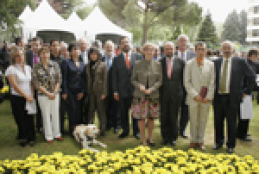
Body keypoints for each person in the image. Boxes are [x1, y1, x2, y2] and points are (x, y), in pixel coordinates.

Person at [212, 41, 256, 154]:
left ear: (232, 50)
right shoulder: (216, 62)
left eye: (229, 48)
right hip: (218, 97)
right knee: (218, 121)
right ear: (222, 49)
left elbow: (252, 76)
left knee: (232, 122)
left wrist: (246, 91)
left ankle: (230, 145)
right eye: (224, 48)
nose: (226, 50)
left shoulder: (240, 62)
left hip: (233, 97)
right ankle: (218, 142)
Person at [184, 42, 215, 150]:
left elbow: (212, 81)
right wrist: (194, 95)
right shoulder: (189, 64)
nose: (202, 51)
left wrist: (209, 96)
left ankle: (201, 141)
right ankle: (193, 140)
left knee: (203, 120)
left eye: (203, 49)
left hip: (206, 98)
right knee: (193, 119)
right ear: (195, 50)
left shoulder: (211, 64)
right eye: (199, 49)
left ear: (206, 51)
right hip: (193, 98)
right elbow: (186, 82)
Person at [131, 43, 162, 146]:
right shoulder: (137, 64)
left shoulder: (158, 65)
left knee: (151, 118)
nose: (149, 52)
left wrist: (152, 89)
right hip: (140, 95)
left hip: (153, 95)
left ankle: (150, 138)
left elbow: (160, 81)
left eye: (151, 50)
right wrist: (140, 86)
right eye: (147, 50)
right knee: (141, 118)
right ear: (144, 51)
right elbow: (133, 79)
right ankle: (143, 140)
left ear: (154, 52)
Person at [112, 36, 142, 139]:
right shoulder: (116, 59)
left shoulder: (138, 57)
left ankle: (136, 131)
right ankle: (125, 130)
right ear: (120, 45)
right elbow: (114, 76)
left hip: (135, 90)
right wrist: (115, 91)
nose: (125, 44)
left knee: (135, 112)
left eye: (127, 42)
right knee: (123, 112)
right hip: (122, 90)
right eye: (123, 43)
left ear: (130, 43)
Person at [6, 47, 36, 146]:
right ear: (14, 57)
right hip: (17, 97)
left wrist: (31, 94)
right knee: (20, 117)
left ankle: (31, 137)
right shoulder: (11, 69)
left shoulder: (28, 68)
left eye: (21, 55)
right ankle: (23, 137)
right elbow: (14, 85)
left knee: (29, 117)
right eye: (17, 56)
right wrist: (25, 96)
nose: (20, 57)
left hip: (29, 96)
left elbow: (32, 82)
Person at [32, 47, 62, 143]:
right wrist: (48, 93)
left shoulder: (55, 65)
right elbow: (37, 83)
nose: (45, 55)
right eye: (43, 53)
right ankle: (49, 135)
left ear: (49, 54)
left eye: (47, 53)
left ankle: (57, 133)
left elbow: (59, 79)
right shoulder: (36, 67)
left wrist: (54, 92)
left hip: (55, 94)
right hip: (43, 95)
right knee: (46, 115)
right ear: (39, 55)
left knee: (55, 114)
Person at [160, 42, 185, 146]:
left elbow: (183, 80)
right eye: (167, 49)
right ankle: (165, 137)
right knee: (164, 116)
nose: (169, 51)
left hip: (176, 94)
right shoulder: (160, 62)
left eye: (170, 49)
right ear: (164, 50)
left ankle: (173, 137)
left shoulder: (181, 62)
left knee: (174, 117)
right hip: (163, 94)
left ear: (174, 49)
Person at [174, 34, 196, 139]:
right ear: (177, 43)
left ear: (188, 43)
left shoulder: (193, 55)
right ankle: (173, 128)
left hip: (189, 88)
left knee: (186, 110)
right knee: (174, 110)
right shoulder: (172, 54)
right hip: (175, 87)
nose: (183, 43)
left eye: (185, 41)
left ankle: (182, 129)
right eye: (181, 41)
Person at [62, 43, 86, 135]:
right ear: (70, 52)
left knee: (79, 111)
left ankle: (79, 130)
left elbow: (84, 79)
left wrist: (83, 91)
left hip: (80, 91)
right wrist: (65, 91)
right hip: (70, 91)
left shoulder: (82, 63)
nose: (76, 51)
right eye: (74, 49)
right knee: (72, 110)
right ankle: (72, 130)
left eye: (78, 49)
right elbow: (64, 78)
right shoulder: (66, 62)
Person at [237, 49, 259, 142]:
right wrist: (245, 91)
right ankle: (242, 134)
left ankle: (242, 131)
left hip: (247, 92)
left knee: (245, 114)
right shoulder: (247, 64)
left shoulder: (253, 64)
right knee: (245, 115)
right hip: (245, 92)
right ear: (254, 55)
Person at [86, 47, 107, 136]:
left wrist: (104, 93)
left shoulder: (103, 65)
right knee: (90, 111)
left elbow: (105, 79)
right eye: (91, 54)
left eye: (95, 54)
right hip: (90, 92)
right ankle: (89, 130)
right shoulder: (87, 65)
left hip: (100, 91)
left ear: (98, 55)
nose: (93, 56)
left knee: (100, 111)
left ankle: (102, 129)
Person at [102, 40, 120, 134]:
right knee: (106, 106)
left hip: (115, 87)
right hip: (105, 87)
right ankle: (108, 124)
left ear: (114, 48)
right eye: (107, 47)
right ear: (104, 48)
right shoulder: (101, 59)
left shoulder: (118, 59)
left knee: (116, 107)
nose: (109, 49)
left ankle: (117, 125)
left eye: (110, 47)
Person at [26, 37, 43, 133]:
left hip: (41, 85)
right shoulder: (26, 55)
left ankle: (39, 126)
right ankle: (30, 126)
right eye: (33, 45)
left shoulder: (44, 55)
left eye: (37, 45)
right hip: (29, 85)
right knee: (31, 105)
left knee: (40, 105)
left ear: (40, 45)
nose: (35, 47)